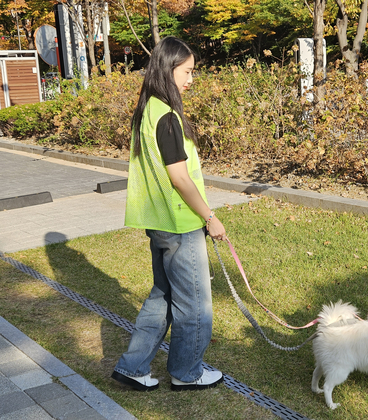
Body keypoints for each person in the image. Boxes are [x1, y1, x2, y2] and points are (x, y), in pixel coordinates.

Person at [111, 36, 226, 392]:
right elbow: (179, 177)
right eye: (187, 71)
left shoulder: (148, 110)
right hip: (180, 225)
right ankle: (187, 372)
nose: (191, 79)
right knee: (194, 307)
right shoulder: (166, 116)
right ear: (168, 68)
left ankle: (133, 367)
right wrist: (210, 216)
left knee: (162, 298)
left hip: (159, 224)